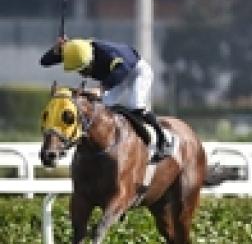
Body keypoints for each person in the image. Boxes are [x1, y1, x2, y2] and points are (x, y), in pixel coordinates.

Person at [40, 36, 170, 160]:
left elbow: (123, 69)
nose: (83, 74)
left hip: (137, 72)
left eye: (84, 70)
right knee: (104, 106)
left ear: (90, 59)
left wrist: (101, 88)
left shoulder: (107, 53)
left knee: (135, 104)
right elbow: (44, 62)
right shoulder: (76, 52)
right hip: (114, 76)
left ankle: (163, 139)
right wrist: (56, 50)